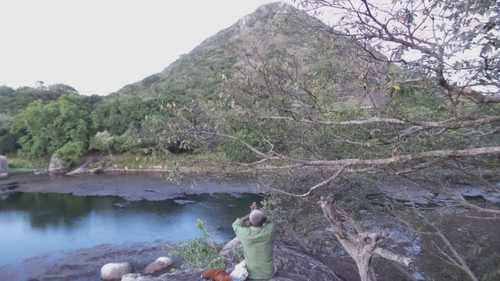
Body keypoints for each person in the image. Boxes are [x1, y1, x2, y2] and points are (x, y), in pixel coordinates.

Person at [232, 202, 275, 280]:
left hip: (253, 275)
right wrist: (259, 214)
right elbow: (269, 221)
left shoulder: (245, 234)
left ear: (250, 222)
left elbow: (235, 224)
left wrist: (250, 214)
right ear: (263, 220)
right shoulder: (270, 230)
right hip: (269, 273)